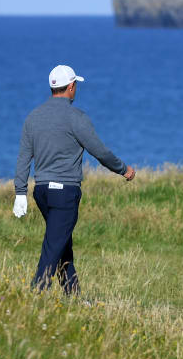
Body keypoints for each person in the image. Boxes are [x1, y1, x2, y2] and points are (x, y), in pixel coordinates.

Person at [14, 65, 135, 294]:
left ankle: (74, 297)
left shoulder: (33, 117)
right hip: (65, 193)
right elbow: (99, 151)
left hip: (41, 192)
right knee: (53, 246)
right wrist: (123, 169)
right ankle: (35, 293)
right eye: (75, 85)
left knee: (61, 243)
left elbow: (23, 158)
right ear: (71, 87)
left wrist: (20, 192)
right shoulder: (76, 117)